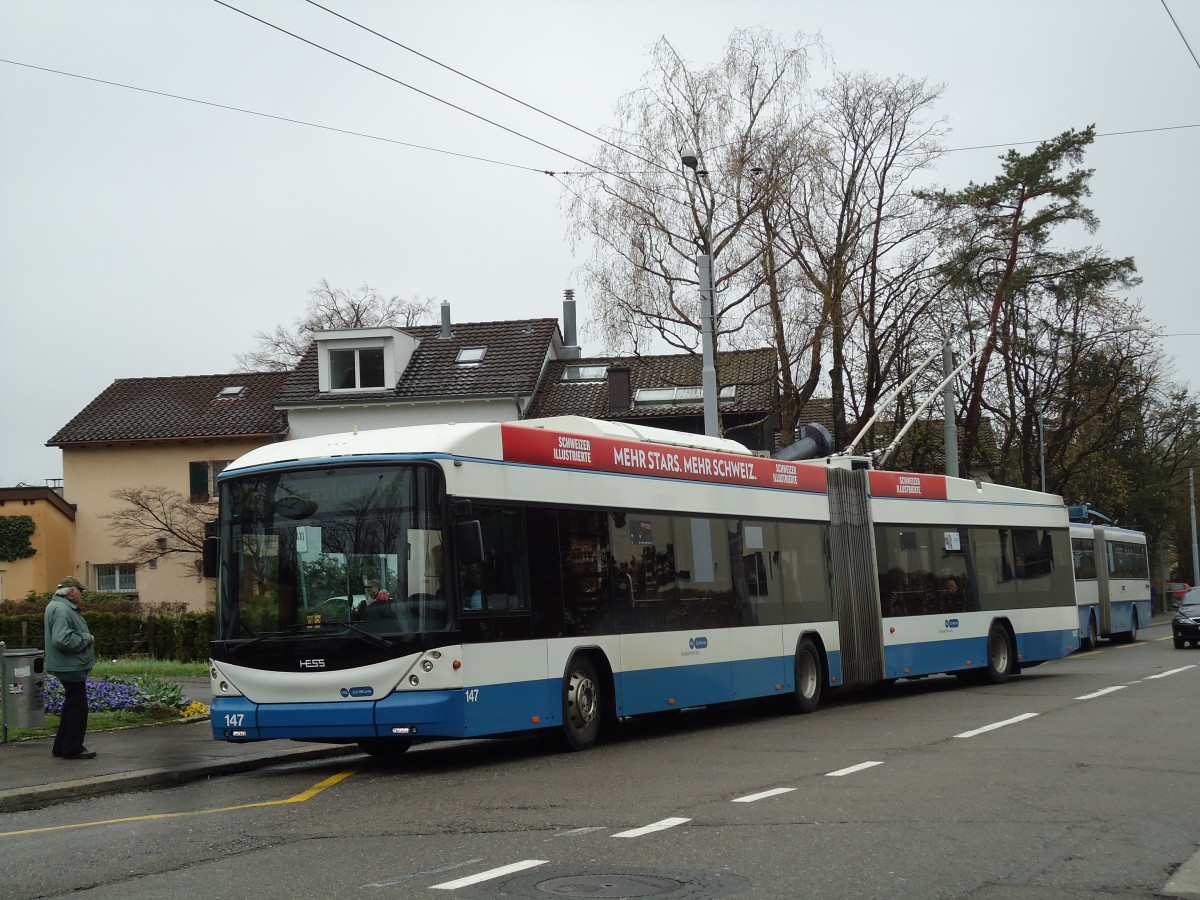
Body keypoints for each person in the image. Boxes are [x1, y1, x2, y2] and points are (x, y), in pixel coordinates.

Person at [43, 576, 97, 760]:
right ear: (71, 591)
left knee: (71, 705)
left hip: (66, 664)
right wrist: (86, 638)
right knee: (78, 709)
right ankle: (71, 748)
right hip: (70, 665)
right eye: (80, 591)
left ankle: (61, 747)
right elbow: (61, 639)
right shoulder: (63, 609)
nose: (82, 594)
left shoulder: (56, 606)